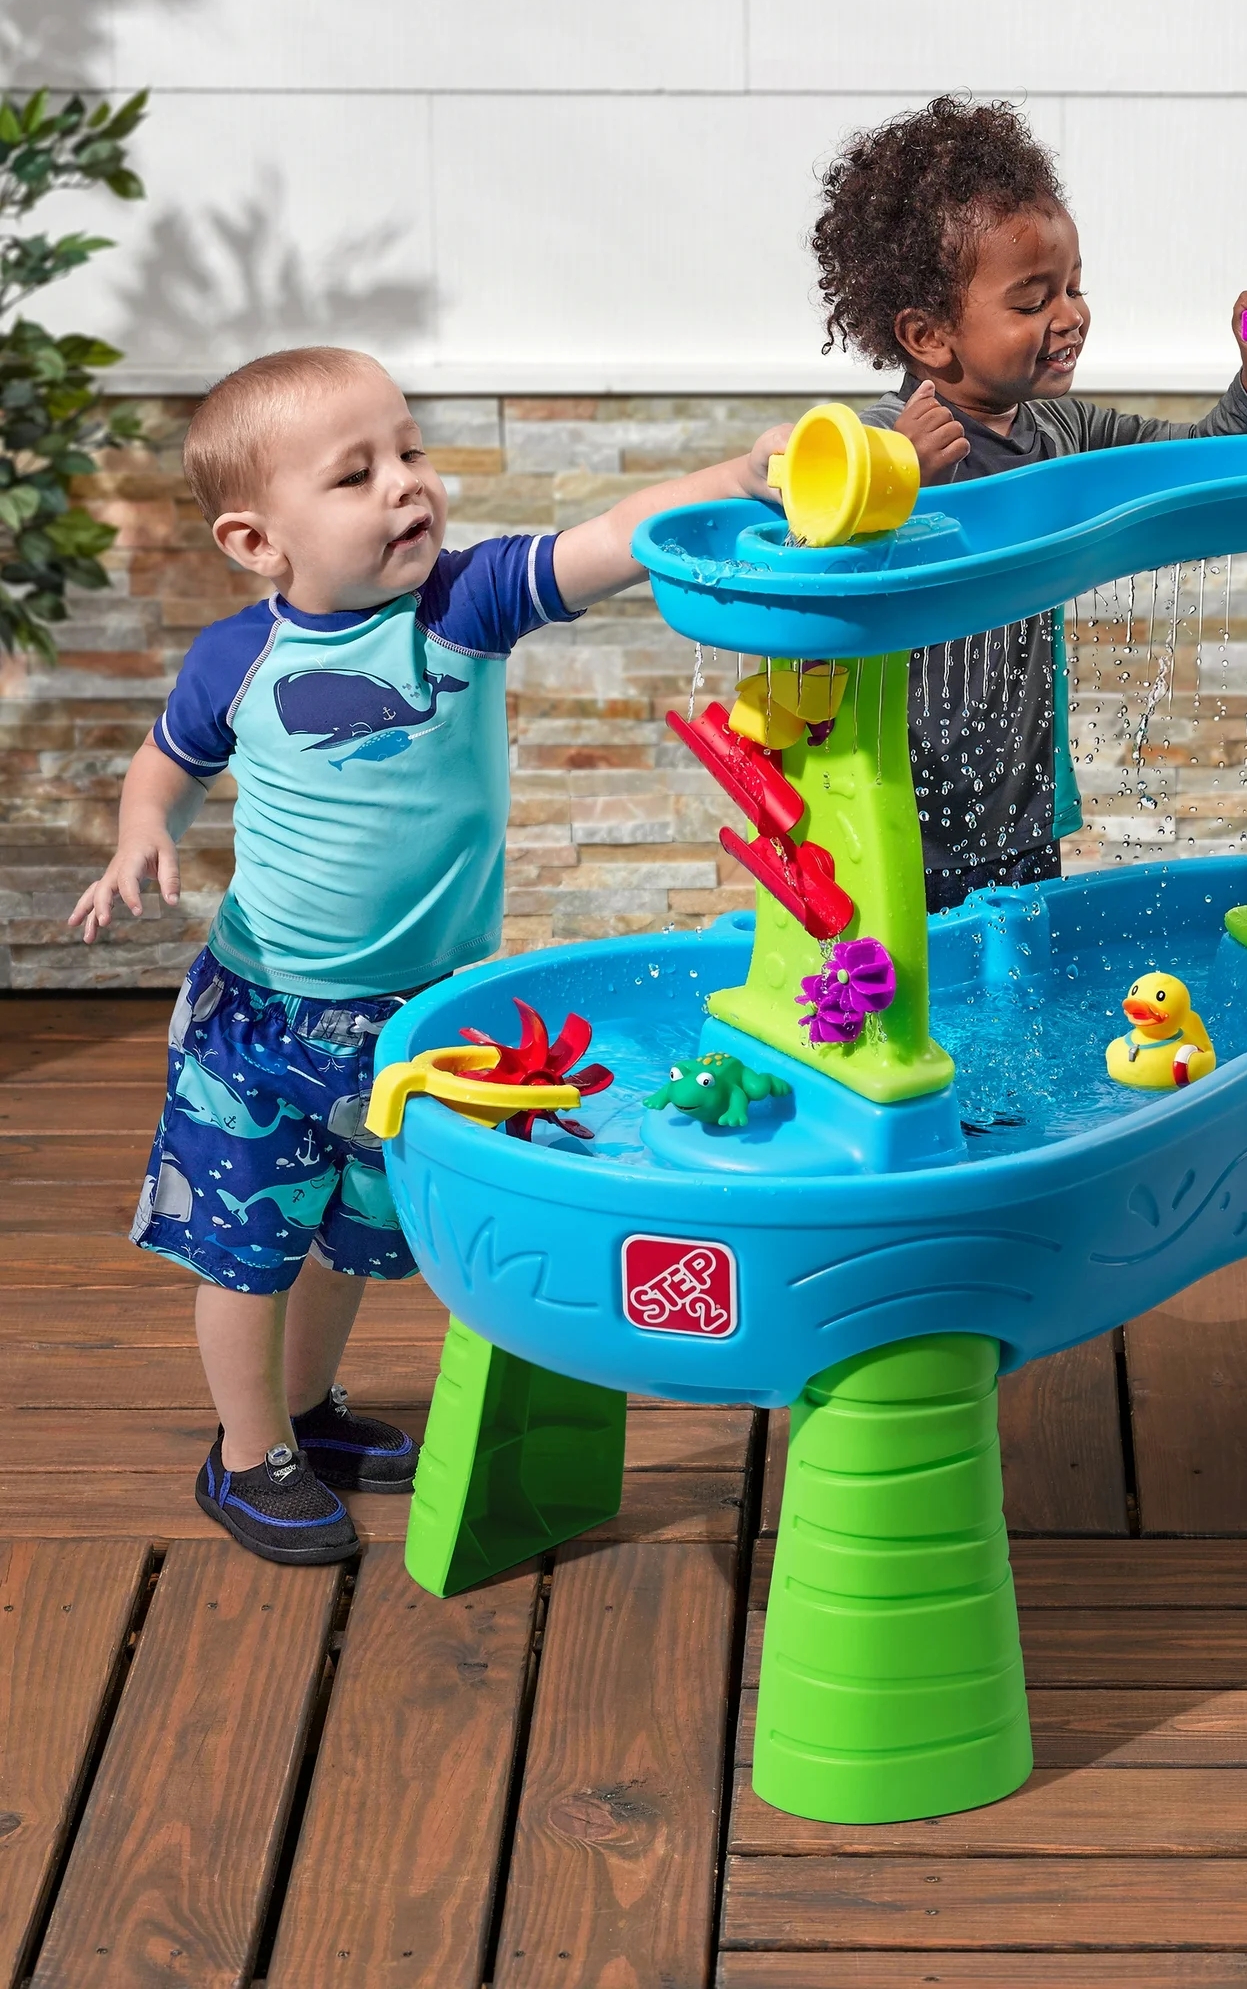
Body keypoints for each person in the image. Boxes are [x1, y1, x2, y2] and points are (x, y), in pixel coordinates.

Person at [70, 346, 785, 1564]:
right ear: (257, 542)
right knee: (246, 1247)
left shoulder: (464, 604)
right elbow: (169, 761)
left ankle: (305, 1413)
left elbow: (612, 534)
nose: (408, 486)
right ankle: (244, 1455)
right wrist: (143, 832)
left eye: (410, 451)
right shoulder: (235, 661)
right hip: (261, 1019)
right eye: (356, 475)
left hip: (418, 1018)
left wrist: (741, 470)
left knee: (352, 1234)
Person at [811, 95, 1247, 911]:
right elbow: (808, 568)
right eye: (1033, 302)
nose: (1071, 316)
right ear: (929, 335)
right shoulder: (877, 444)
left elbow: (1197, 466)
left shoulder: (1063, 429)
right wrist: (900, 488)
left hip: (1021, 818)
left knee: (1010, 1006)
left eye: (1073, 287)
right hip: (889, 816)